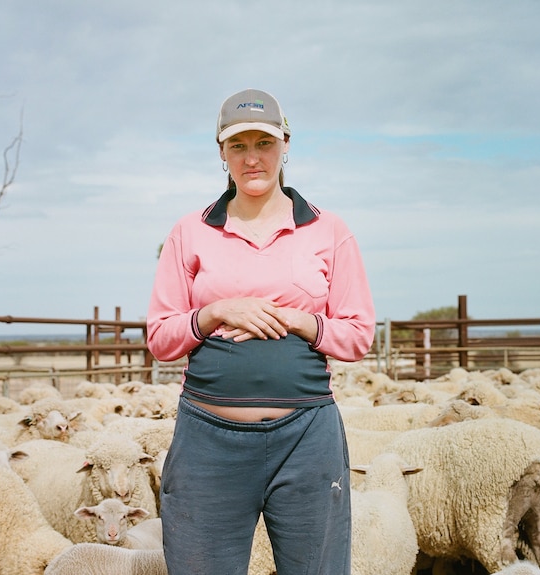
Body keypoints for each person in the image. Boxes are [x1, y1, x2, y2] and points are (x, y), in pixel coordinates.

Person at [146, 88, 376, 575]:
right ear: (221, 153)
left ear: (285, 144)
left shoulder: (328, 230)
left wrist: (299, 320)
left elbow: (358, 335)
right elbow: (161, 338)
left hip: (306, 438)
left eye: (264, 143)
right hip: (208, 441)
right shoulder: (190, 231)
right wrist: (214, 312)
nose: (253, 158)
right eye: (239, 145)